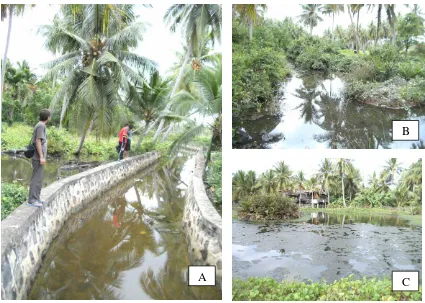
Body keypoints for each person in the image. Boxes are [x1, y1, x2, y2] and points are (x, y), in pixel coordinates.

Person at [27, 109, 51, 208]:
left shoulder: (41, 125)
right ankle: (32, 200)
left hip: (39, 157)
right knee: (36, 178)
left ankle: (36, 198)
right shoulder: (41, 126)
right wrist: (41, 157)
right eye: (50, 116)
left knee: (39, 178)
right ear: (48, 117)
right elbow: (38, 141)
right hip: (37, 157)